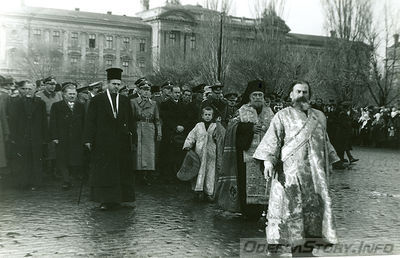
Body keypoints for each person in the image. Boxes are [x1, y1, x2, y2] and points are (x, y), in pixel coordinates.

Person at [253, 80, 339, 256]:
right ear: (291, 95)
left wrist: (331, 160)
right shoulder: (282, 116)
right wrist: (268, 161)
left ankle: (306, 248)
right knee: (288, 210)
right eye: (298, 92)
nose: (302, 95)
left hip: (315, 176)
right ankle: (281, 247)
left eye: (305, 92)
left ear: (310, 95)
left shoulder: (320, 116)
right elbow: (272, 140)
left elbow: (325, 140)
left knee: (312, 213)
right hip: (289, 174)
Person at [216, 79, 274, 220]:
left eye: (260, 95)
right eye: (255, 95)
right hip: (247, 157)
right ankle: (247, 212)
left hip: (265, 157)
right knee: (246, 185)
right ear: (249, 96)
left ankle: (264, 211)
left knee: (266, 183)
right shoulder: (242, 111)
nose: (258, 98)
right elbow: (232, 129)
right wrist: (249, 128)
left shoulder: (269, 112)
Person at [83, 67, 135, 211]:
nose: (116, 87)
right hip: (103, 142)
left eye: (119, 84)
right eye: (114, 84)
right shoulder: (98, 100)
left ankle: (119, 199)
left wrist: (133, 139)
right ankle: (105, 200)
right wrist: (88, 139)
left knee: (120, 170)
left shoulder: (125, 100)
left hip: (121, 142)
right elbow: (90, 121)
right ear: (107, 83)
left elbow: (130, 121)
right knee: (105, 172)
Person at [8, 80, 47, 190]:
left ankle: (36, 183)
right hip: (21, 135)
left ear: (35, 90)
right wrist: (13, 136)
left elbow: (44, 121)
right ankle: (23, 182)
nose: (27, 91)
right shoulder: (15, 102)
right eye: (24, 89)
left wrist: (44, 136)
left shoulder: (40, 103)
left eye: (29, 89)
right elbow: (13, 121)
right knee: (22, 160)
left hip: (36, 136)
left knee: (36, 159)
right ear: (20, 90)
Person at [183, 106, 225, 201]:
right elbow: (191, 136)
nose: (207, 117)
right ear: (202, 116)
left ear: (212, 116)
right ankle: (197, 190)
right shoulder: (198, 126)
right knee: (198, 171)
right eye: (205, 115)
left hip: (211, 153)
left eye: (209, 115)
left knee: (210, 172)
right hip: (199, 153)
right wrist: (188, 145)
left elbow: (221, 137)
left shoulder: (215, 126)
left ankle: (209, 192)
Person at [50, 83, 85, 190]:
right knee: (63, 159)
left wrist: (84, 137)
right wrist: (54, 136)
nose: (72, 96)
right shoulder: (57, 106)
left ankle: (71, 177)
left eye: (74, 94)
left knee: (74, 158)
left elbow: (84, 122)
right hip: (62, 137)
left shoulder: (81, 106)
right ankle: (66, 180)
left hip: (76, 137)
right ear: (64, 94)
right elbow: (53, 122)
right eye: (69, 94)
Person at [131, 80, 161, 185]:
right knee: (138, 153)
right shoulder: (134, 102)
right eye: (144, 89)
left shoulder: (154, 103)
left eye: (148, 90)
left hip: (150, 129)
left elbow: (157, 119)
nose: (146, 92)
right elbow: (131, 118)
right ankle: (138, 176)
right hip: (138, 128)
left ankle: (146, 176)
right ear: (139, 90)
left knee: (149, 153)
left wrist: (159, 132)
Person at [159, 84, 186, 182]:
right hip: (169, 133)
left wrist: (183, 126)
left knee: (178, 155)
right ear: (170, 93)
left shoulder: (183, 104)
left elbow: (186, 117)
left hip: (180, 133)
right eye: (176, 93)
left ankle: (177, 175)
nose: (178, 95)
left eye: (179, 93)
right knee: (168, 155)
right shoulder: (165, 104)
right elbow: (165, 118)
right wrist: (175, 127)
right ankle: (167, 176)